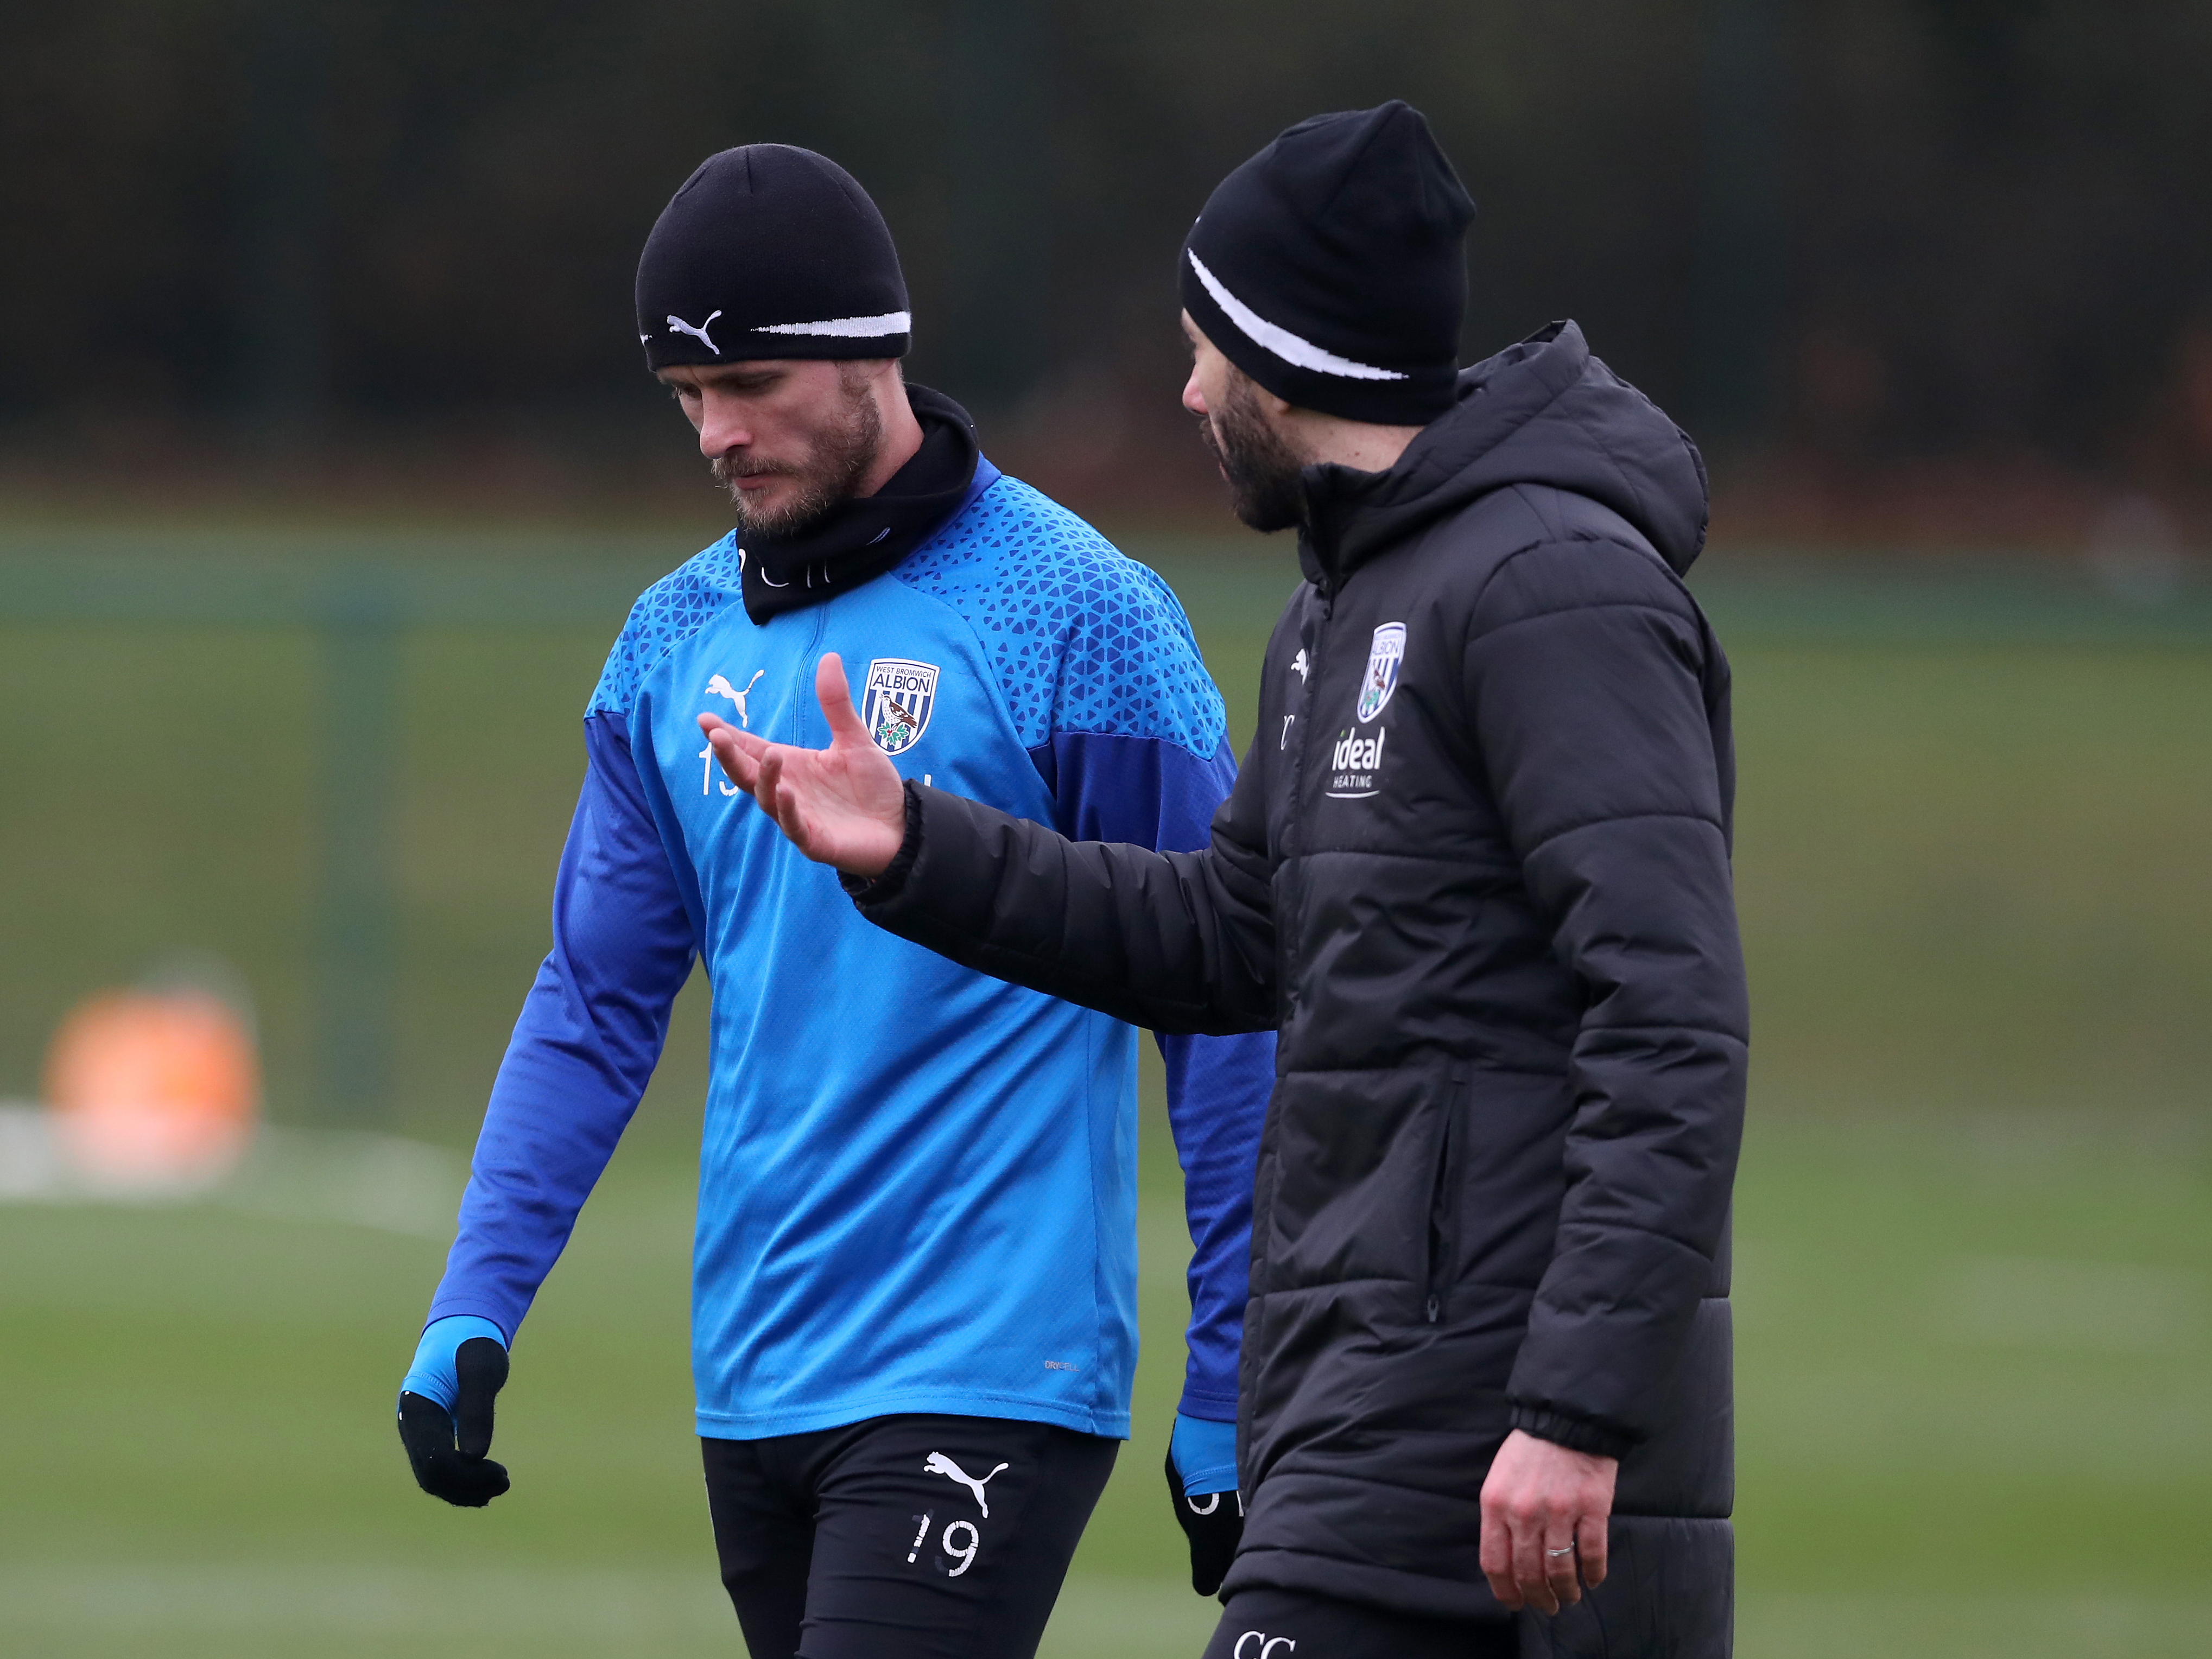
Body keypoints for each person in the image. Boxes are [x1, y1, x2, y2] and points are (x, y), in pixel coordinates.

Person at [702, 105, 1748, 1658]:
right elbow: (1231, 933)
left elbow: (1670, 1018)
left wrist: (1572, 1408)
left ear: (1290, 353)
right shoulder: (1339, 607)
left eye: (1205, 348)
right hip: (1353, 1416)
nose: (1187, 390)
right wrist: (917, 844)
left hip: (1493, 1441)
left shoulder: (1550, 589)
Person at [393, 143, 1275, 1659]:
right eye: (687, 396)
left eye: (755, 384)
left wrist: (1234, 1369)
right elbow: (594, 998)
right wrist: (474, 1299)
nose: (719, 434)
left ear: (878, 349)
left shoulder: (1081, 613)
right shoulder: (666, 644)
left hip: (990, 1363)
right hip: (753, 1373)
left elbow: (1234, 999)